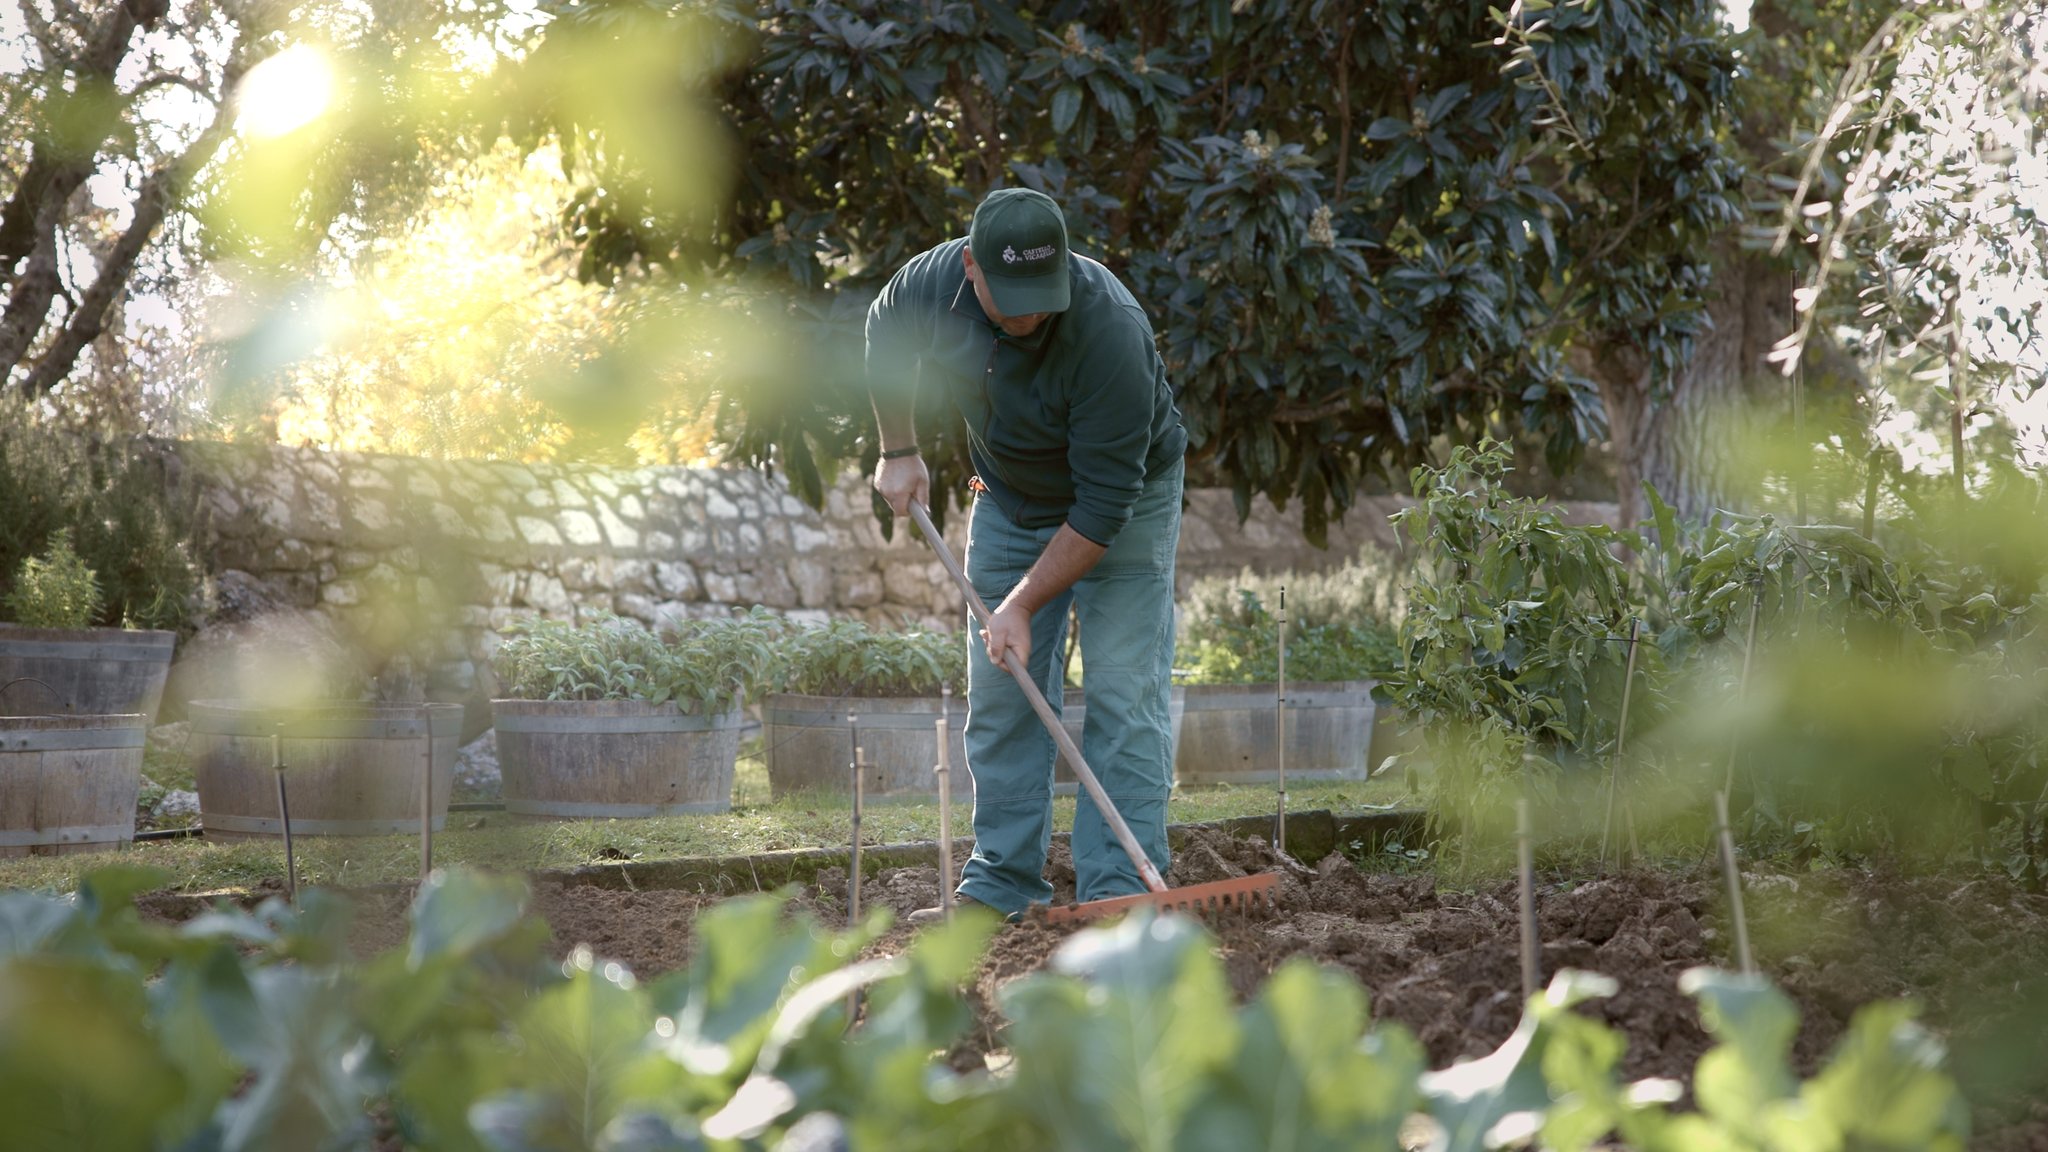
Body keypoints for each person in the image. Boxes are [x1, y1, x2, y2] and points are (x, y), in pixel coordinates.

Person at [865, 187, 1187, 923]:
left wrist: (1020, 605)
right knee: (1004, 691)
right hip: (1009, 496)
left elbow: (1104, 508)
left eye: (1040, 297)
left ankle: (1120, 893)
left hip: (1123, 509)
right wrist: (898, 449)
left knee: (1123, 694)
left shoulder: (1112, 332)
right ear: (970, 266)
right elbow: (884, 333)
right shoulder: (930, 283)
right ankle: (1002, 883)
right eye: (1008, 297)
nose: (1027, 314)